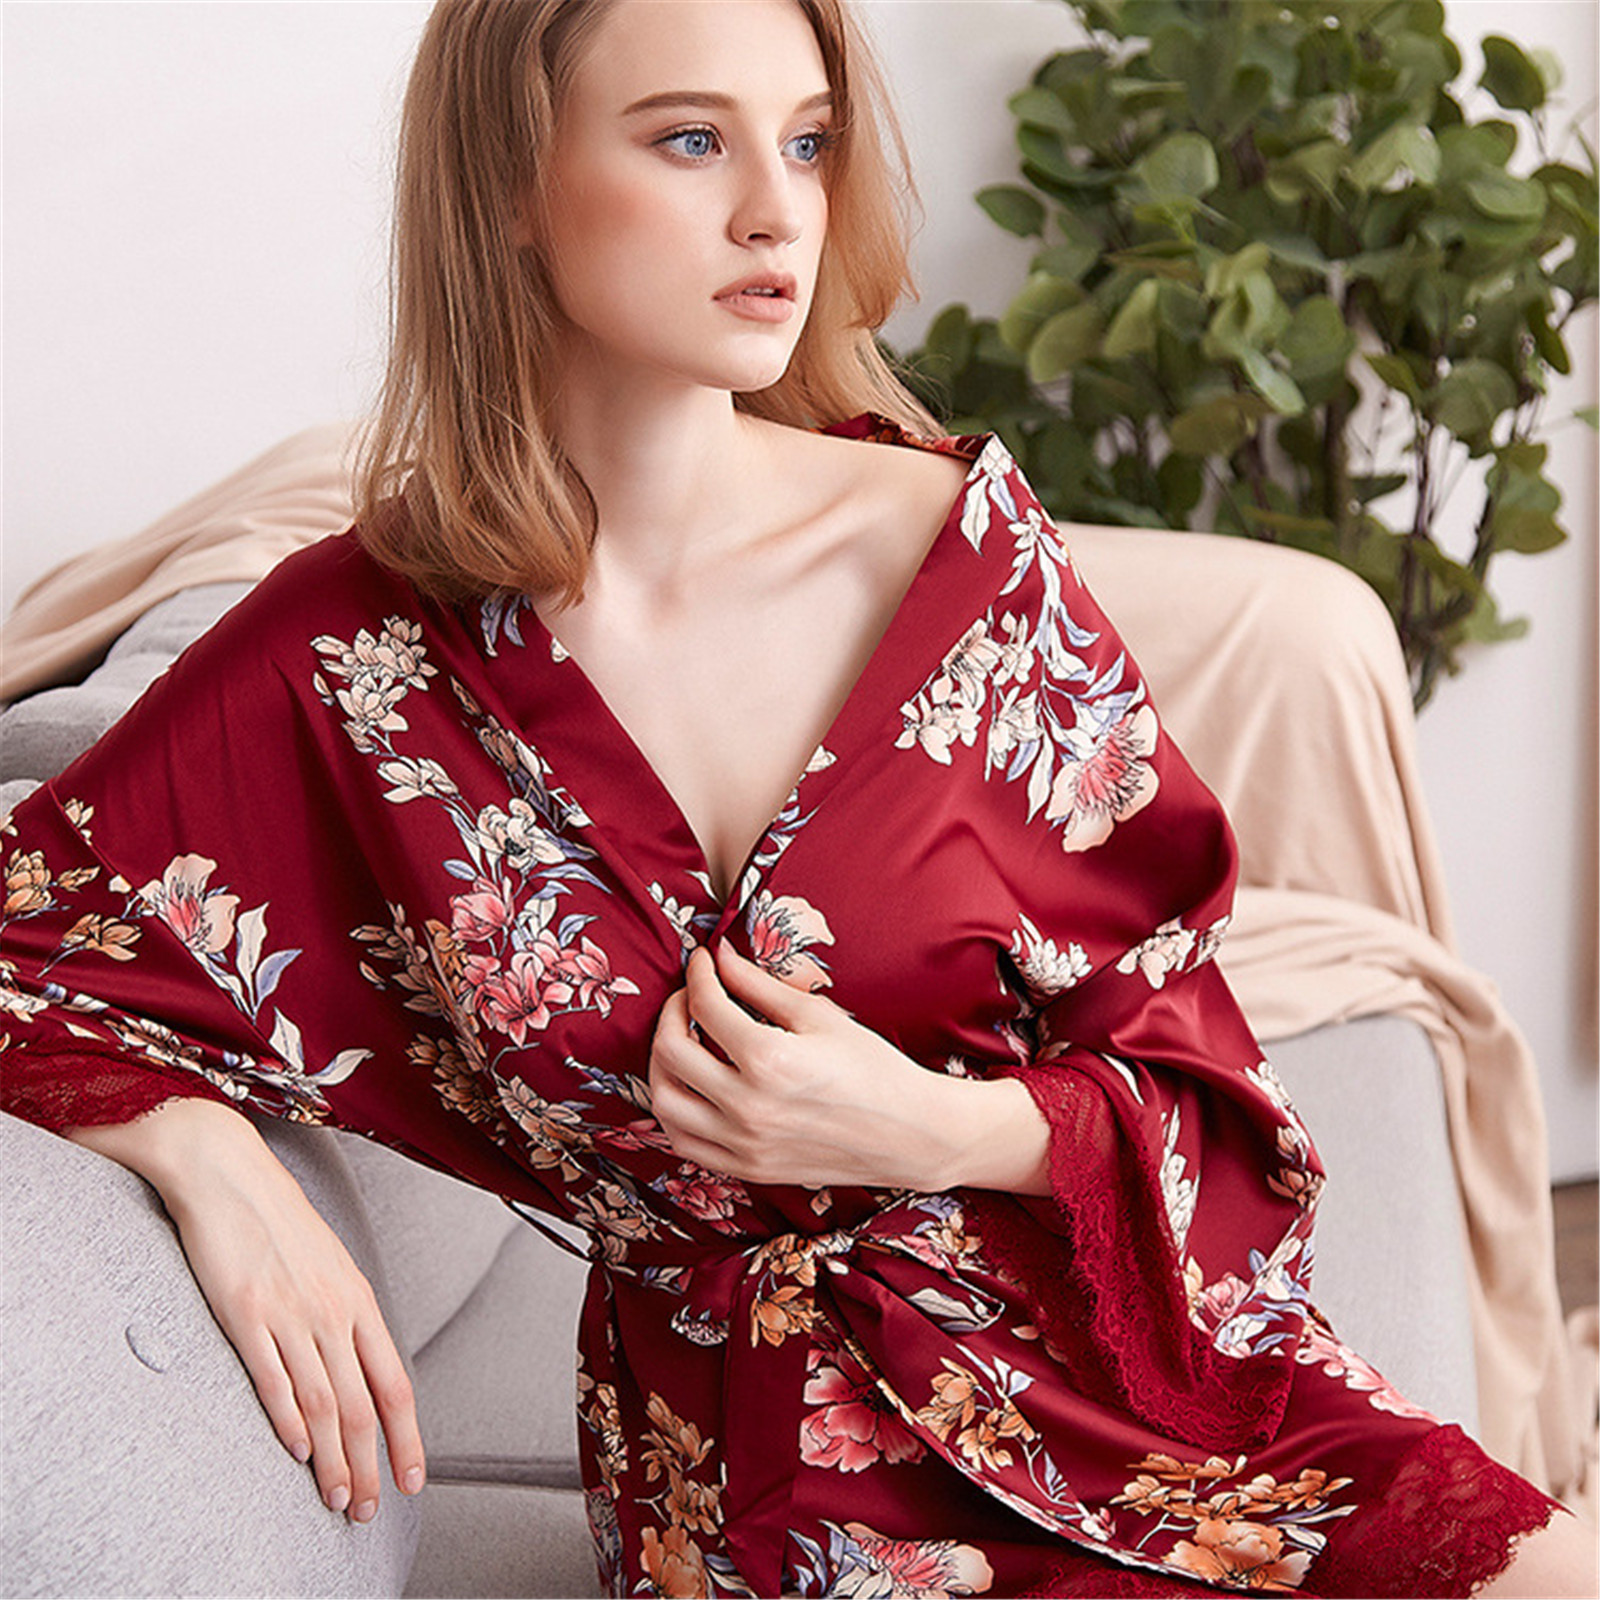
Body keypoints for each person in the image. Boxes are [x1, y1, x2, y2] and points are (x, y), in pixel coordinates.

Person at [1, 1, 1594, 1594]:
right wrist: (204, 1156)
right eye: (693, 139)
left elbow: (1200, 1083)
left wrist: (925, 1124)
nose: (778, 209)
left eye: (810, 141)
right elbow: (33, 928)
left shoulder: (961, 558)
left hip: (1131, 1397)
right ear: (508, 184)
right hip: (775, 1482)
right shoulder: (351, 662)